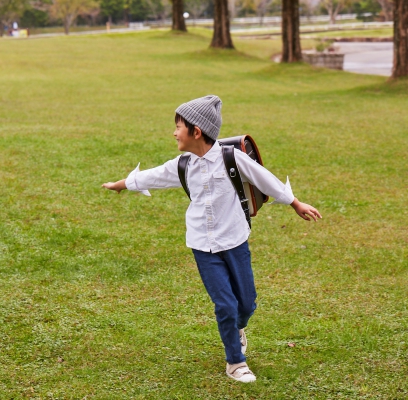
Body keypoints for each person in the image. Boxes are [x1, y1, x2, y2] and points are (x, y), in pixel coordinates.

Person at [102, 95, 321, 383]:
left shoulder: (233, 158)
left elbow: (265, 179)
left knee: (246, 303)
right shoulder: (182, 164)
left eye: (178, 126)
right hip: (202, 246)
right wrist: (121, 184)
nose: (174, 132)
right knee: (226, 305)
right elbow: (151, 177)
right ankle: (235, 362)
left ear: (197, 131)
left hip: (235, 241)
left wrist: (295, 203)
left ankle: (237, 328)